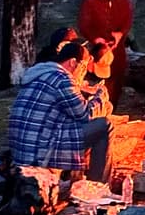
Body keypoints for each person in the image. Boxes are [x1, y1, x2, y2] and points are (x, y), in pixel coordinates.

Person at [9, 40, 112, 184]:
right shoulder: (62, 79)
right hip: (40, 154)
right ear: (72, 63)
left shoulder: (39, 74)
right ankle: (98, 186)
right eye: (82, 67)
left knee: (74, 126)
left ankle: (75, 180)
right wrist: (101, 96)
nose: (83, 73)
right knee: (104, 126)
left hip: (24, 151)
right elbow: (85, 115)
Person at [78, 0, 134, 105]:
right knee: (99, 75)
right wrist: (95, 38)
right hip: (99, 46)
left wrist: (120, 33)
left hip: (117, 44)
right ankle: (96, 104)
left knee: (118, 74)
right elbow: (84, 23)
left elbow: (128, 18)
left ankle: (112, 105)